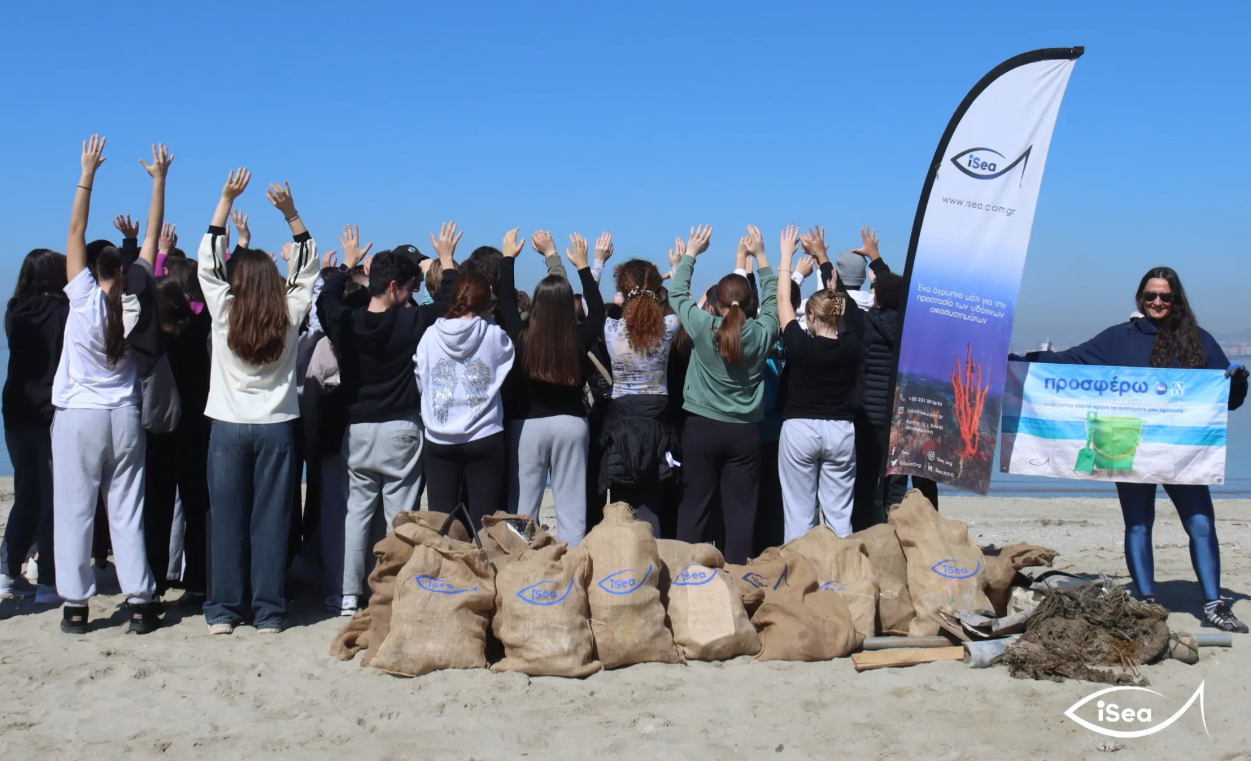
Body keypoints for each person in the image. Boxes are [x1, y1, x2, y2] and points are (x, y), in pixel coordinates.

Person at [1021, 267, 1249, 633]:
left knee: (1201, 524)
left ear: (1176, 299)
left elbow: (1228, 400)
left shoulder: (1198, 340)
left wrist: (1238, 381)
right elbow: (1070, 362)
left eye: (1165, 296)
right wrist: (1021, 360)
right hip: (1127, 446)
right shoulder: (1118, 338)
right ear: (1140, 298)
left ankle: (1214, 604)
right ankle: (1147, 602)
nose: (1157, 302)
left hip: (1183, 452)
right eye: (1150, 295)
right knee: (1139, 525)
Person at [53, 137, 170, 634]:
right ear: (121, 270)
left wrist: (87, 174)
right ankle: (140, 600)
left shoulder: (82, 299)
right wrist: (159, 181)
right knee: (126, 509)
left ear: (90, 270)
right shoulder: (135, 299)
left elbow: (75, 229)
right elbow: (152, 240)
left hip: (79, 415)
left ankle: (76, 607)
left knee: (75, 511)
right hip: (123, 414)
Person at [197, 170, 321, 635]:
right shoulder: (287, 314)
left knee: (226, 521)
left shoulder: (224, 312)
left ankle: (225, 611)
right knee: (271, 522)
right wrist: (291, 214)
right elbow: (307, 270)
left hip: (227, 426)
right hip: (276, 427)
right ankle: (268, 611)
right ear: (272, 281)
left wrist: (224, 202)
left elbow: (207, 265)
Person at [316, 223, 458, 615]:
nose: (412, 295)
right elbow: (449, 301)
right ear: (394, 286)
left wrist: (345, 266)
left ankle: (348, 594)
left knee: (357, 515)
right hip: (401, 428)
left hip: (359, 428)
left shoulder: (347, 322)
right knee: (399, 517)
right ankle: (392, 591)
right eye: (409, 288)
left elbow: (325, 300)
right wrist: (446, 260)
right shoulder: (410, 322)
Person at [669, 225, 780, 564]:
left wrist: (691, 254)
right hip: (745, 433)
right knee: (740, 514)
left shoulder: (704, 327)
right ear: (749, 303)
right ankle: (739, 580)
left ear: (716, 304)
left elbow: (677, 295)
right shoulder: (762, 333)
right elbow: (774, 302)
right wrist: (761, 257)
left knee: (694, 508)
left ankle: (688, 574)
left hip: (701, 428)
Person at [499, 229, 605, 545]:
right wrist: (583, 266)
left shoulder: (522, 338)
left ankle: (520, 564)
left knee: (522, 510)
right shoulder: (577, 338)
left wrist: (508, 258)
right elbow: (598, 311)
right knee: (572, 512)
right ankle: (571, 568)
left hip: (527, 426)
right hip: (571, 423)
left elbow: (505, 301)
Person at [843, 226, 938, 526]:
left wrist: (825, 262)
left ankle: (868, 532)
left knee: (867, 478)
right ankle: (900, 528)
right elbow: (900, 293)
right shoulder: (913, 329)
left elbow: (846, 303)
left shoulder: (867, 323)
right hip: (904, 415)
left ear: (878, 301)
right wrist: (877, 261)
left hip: (870, 415)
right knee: (897, 481)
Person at [775, 225, 865, 540]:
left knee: (799, 515)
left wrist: (786, 256)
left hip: (801, 427)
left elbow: (783, 300)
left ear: (811, 316)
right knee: (840, 515)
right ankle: (844, 567)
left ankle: (801, 567)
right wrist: (823, 259)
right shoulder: (853, 342)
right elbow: (847, 305)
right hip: (841, 429)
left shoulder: (802, 346)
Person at [415, 267, 515, 529]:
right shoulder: (493, 335)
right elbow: (506, 362)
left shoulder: (429, 335)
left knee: (442, 525)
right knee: (484, 526)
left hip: (439, 436)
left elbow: (420, 379)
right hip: (484, 434)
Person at [1, 249, 69, 603]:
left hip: (15, 410)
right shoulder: (62, 311)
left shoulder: (14, 311)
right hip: (49, 411)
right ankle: (48, 580)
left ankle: (7, 571)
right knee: (52, 497)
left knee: (26, 492)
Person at [598, 253, 682, 537]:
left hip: (620, 420)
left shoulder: (611, 329)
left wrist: (595, 262)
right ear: (657, 289)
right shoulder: (669, 327)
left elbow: (589, 305)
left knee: (622, 500)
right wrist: (674, 270)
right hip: (658, 419)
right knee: (652, 501)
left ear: (622, 291)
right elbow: (679, 301)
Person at [143, 270, 213, 608]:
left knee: (156, 511)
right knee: (197, 509)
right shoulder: (197, 332)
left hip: (159, 433)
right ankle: (197, 582)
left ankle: (154, 582)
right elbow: (210, 305)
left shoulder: (154, 340)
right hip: (196, 430)